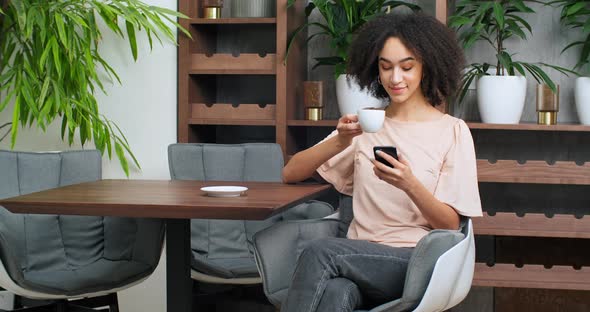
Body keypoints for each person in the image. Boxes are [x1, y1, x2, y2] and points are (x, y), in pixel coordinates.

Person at [280, 12, 483, 312]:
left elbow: (451, 225)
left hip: (413, 262)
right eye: (385, 67)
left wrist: (409, 183)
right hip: (355, 256)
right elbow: (291, 173)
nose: (395, 78)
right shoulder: (366, 125)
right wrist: (341, 139)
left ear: (427, 66)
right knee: (336, 292)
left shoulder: (452, 131)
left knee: (319, 253)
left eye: (407, 67)